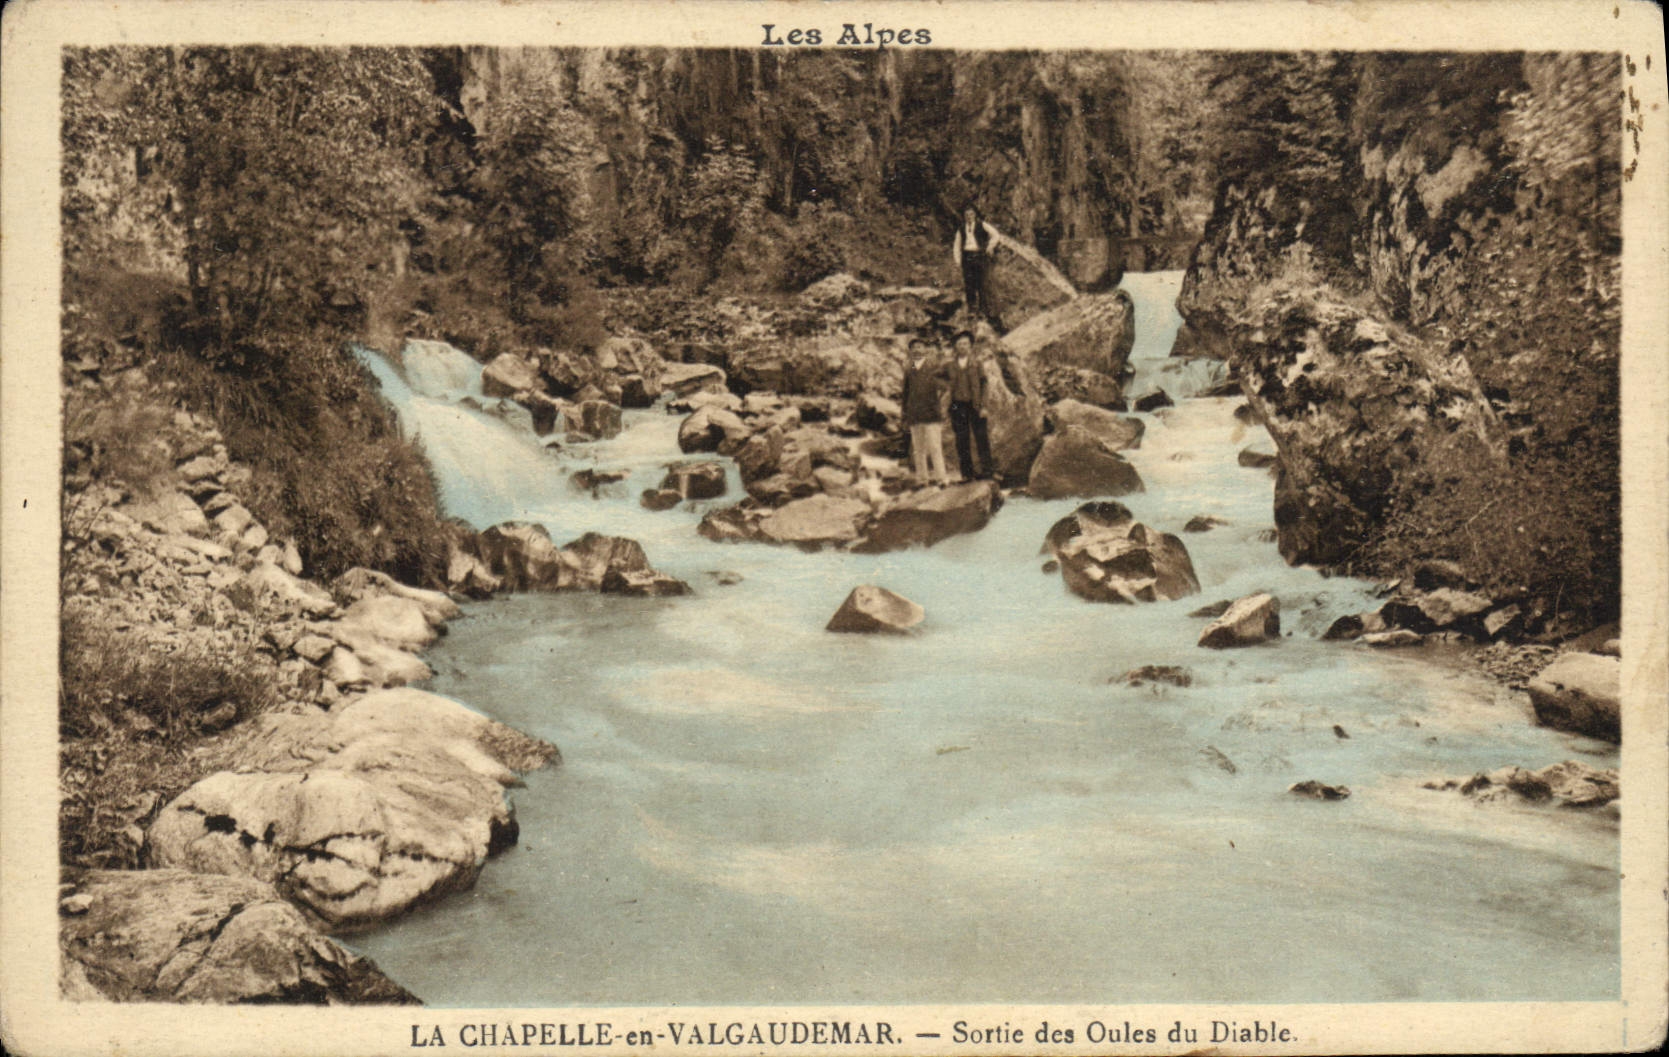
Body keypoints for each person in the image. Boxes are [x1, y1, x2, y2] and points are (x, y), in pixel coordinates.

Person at [900, 336, 951, 486]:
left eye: (920, 347)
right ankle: (922, 479)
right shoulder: (909, 370)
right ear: (910, 351)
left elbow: (946, 385)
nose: (917, 350)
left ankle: (941, 478)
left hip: (931, 414)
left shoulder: (934, 366)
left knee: (935, 447)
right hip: (915, 415)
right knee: (918, 449)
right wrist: (904, 414)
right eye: (914, 347)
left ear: (925, 350)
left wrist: (940, 401)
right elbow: (905, 393)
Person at [946, 329, 995, 482]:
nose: (962, 346)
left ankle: (987, 472)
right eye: (959, 344)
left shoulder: (977, 363)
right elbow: (935, 376)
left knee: (982, 438)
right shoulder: (949, 365)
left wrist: (984, 406)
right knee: (962, 440)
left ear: (971, 346)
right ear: (955, 346)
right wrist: (945, 389)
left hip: (976, 405)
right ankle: (967, 474)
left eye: (966, 343)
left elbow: (984, 384)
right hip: (957, 406)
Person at [951, 204, 998, 323]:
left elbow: (996, 235)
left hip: (980, 257)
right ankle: (971, 310)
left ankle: (983, 310)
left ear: (975, 214)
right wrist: (957, 261)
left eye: (971, 214)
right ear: (964, 216)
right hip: (967, 257)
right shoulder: (961, 229)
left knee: (982, 283)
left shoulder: (982, 225)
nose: (969, 217)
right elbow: (956, 245)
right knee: (969, 284)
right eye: (966, 215)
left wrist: (990, 247)